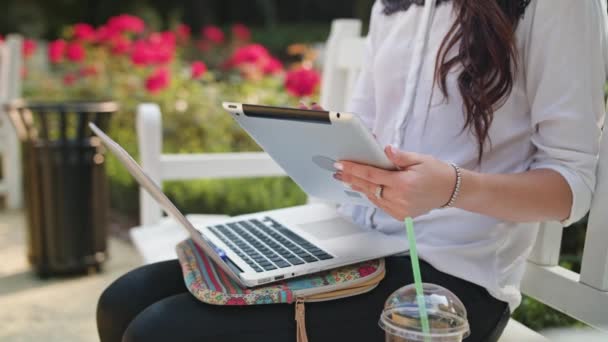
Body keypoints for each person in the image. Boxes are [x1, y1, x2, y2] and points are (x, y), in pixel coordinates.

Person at [97, 0, 607, 341]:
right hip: (354, 240)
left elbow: (570, 188)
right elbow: (366, 128)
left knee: (158, 332)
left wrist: (449, 189)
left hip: (450, 285)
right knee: (124, 300)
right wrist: (318, 137)